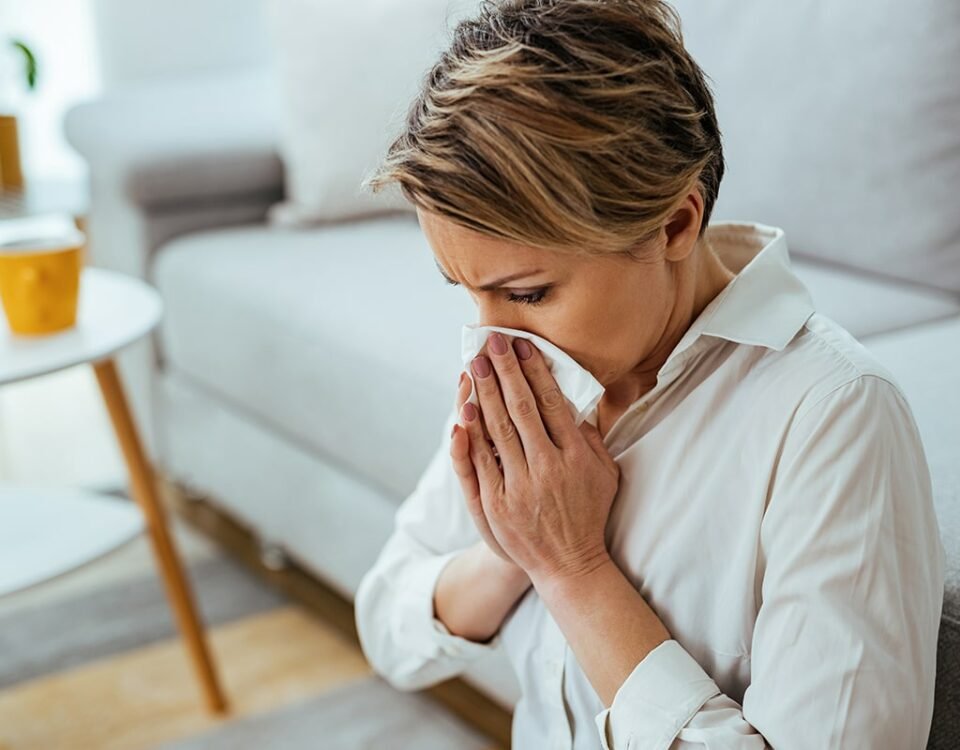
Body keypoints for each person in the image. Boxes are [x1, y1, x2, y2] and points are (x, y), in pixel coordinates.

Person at [354, 1, 946, 747]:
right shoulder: (527, 370)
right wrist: (511, 550)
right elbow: (389, 628)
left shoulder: (830, 418)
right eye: (465, 290)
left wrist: (573, 569)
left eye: (529, 292)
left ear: (675, 224)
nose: (486, 340)